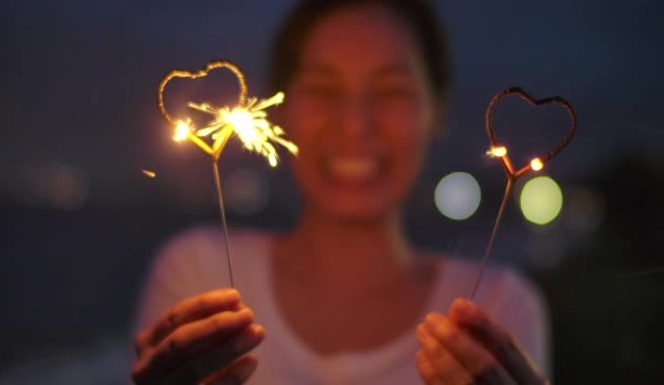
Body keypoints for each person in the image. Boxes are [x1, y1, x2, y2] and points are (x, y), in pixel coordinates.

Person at [132, 0, 549, 384]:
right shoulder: (196, 278)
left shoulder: (498, 310)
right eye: (323, 89)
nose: (354, 124)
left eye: (390, 91)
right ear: (281, 107)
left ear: (436, 110)